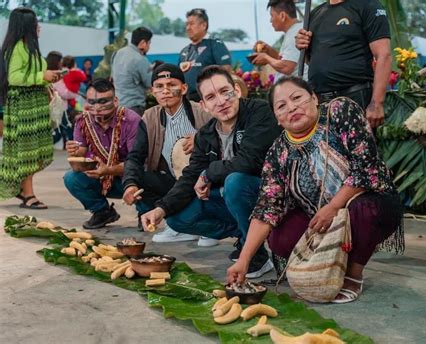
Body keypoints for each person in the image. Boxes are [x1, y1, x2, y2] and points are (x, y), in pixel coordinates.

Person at [227, 77, 404, 302]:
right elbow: (267, 207)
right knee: (280, 238)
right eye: (281, 106)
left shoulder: (340, 111)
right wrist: (243, 260)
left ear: (314, 97)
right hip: (320, 216)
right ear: (277, 118)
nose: (291, 107)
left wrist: (333, 207)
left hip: (371, 202)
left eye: (297, 98)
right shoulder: (278, 151)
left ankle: (353, 275)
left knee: (364, 208)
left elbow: (365, 167)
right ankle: (328, 264)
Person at [141, 66, 282, 278]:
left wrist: (208, 174)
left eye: (225, 91)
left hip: (269, 196)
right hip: (234, 199)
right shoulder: (207, 134)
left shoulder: (259, 112)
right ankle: (245, 235)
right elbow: (190, 175)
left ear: (236, 89)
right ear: (204, 106)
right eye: (211, 97)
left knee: (235, 182)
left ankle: (257, 257)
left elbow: (249, 161)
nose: (221, 101)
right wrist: (161, 209)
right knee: (177, 218)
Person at [122, 63, 216, 246]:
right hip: (175, 183)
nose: (165, 91)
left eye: (171, 85)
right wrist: (129, 185)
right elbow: (135, 156)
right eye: (159, 86)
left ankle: (210, 226)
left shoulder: (204, 112)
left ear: (184, 88)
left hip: (205, 182)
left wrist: (201, 137)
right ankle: (179, 226)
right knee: (140, 178)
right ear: (152, 91)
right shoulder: (149, 117)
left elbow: (224, 140)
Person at [295, 0, 392, 128]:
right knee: (326, 148)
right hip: (320, 101)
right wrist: (302, 46)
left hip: (354, 96)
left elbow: (384, 55)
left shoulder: (368, 5)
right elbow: (313, 60)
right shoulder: (314, 14)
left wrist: (377, 103)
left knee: (357, 147)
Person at [0, 8, 60, 208]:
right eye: (35, 23)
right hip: (23, 109)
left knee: (36, 151)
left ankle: (21, 189)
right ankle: (28, 194)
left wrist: (48, 80)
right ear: (27, 26)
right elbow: (14, 77)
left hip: (34, 106)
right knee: (27, 152)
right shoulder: (17, 48)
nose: (39, 26)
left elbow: (33, 75)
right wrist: (41, 77)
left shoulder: (29, 48)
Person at [64, 78, 141, 229]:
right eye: (92, 102)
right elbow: (79, 162)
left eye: (103, 101)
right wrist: (75, 153)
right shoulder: (82, 122)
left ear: (116, 100)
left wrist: (109, 170)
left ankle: (144, 211)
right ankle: (102, 211)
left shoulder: (131, 120)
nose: (97, 107)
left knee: (147, 173)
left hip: (131, 178)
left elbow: (137, 162)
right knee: (72, 178)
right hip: (101, 176)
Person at [178, 8, 232, 102]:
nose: (188, 28)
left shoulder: (215, 44)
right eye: (186, 24)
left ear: (203, 25)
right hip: (188, 102)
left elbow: (226, 70)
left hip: (210, 101)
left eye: (191, 24)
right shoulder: (184, 51)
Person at [251, 0, 307, 81]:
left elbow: (287, 67)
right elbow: (287, 60)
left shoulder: (295, 33)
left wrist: (266, 58)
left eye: (272, 15)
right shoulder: (293, 31)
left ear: (282, 16)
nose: (270, 20)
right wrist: (269, 51)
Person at [112, 27, 153, 116]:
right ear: (143, 43)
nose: (149, 47)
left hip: (118, 106)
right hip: (134, 108)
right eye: (149, 43)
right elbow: (151, 83)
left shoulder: (118, 53)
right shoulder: (140, 59)